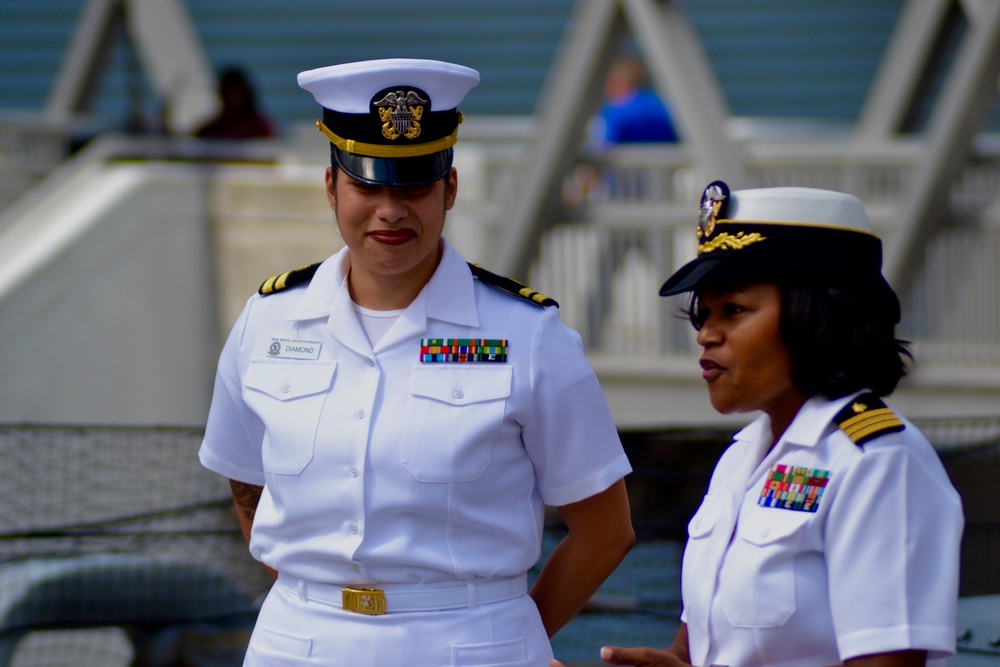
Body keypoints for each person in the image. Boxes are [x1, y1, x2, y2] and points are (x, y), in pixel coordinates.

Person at [198, 58, 635, 666]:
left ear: (449, 189)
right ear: (331, 189)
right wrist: (316, 592)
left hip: (470, 649)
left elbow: (605, 530)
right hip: (296, 646)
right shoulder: (267, 322)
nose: (390, 210)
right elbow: (246, 482)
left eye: (413, 187)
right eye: (367, 186)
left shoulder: (528, 335)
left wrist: (513, 636)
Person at [553, 182, 963, 667]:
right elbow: (702, 648)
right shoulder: (742, 457)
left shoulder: (880, 463)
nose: (706, 334)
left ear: (818, 316)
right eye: (704, 314)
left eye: (734, 310)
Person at [593, 56, 677, 147]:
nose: (607, 90)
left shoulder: (616, 110)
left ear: (617, 82)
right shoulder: (661, 103)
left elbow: (604, 146)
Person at [194, 66, 275, 139]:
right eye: (229, 93)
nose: (234, 98)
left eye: (237, 93)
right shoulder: (214, 129)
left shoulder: (258, 128)